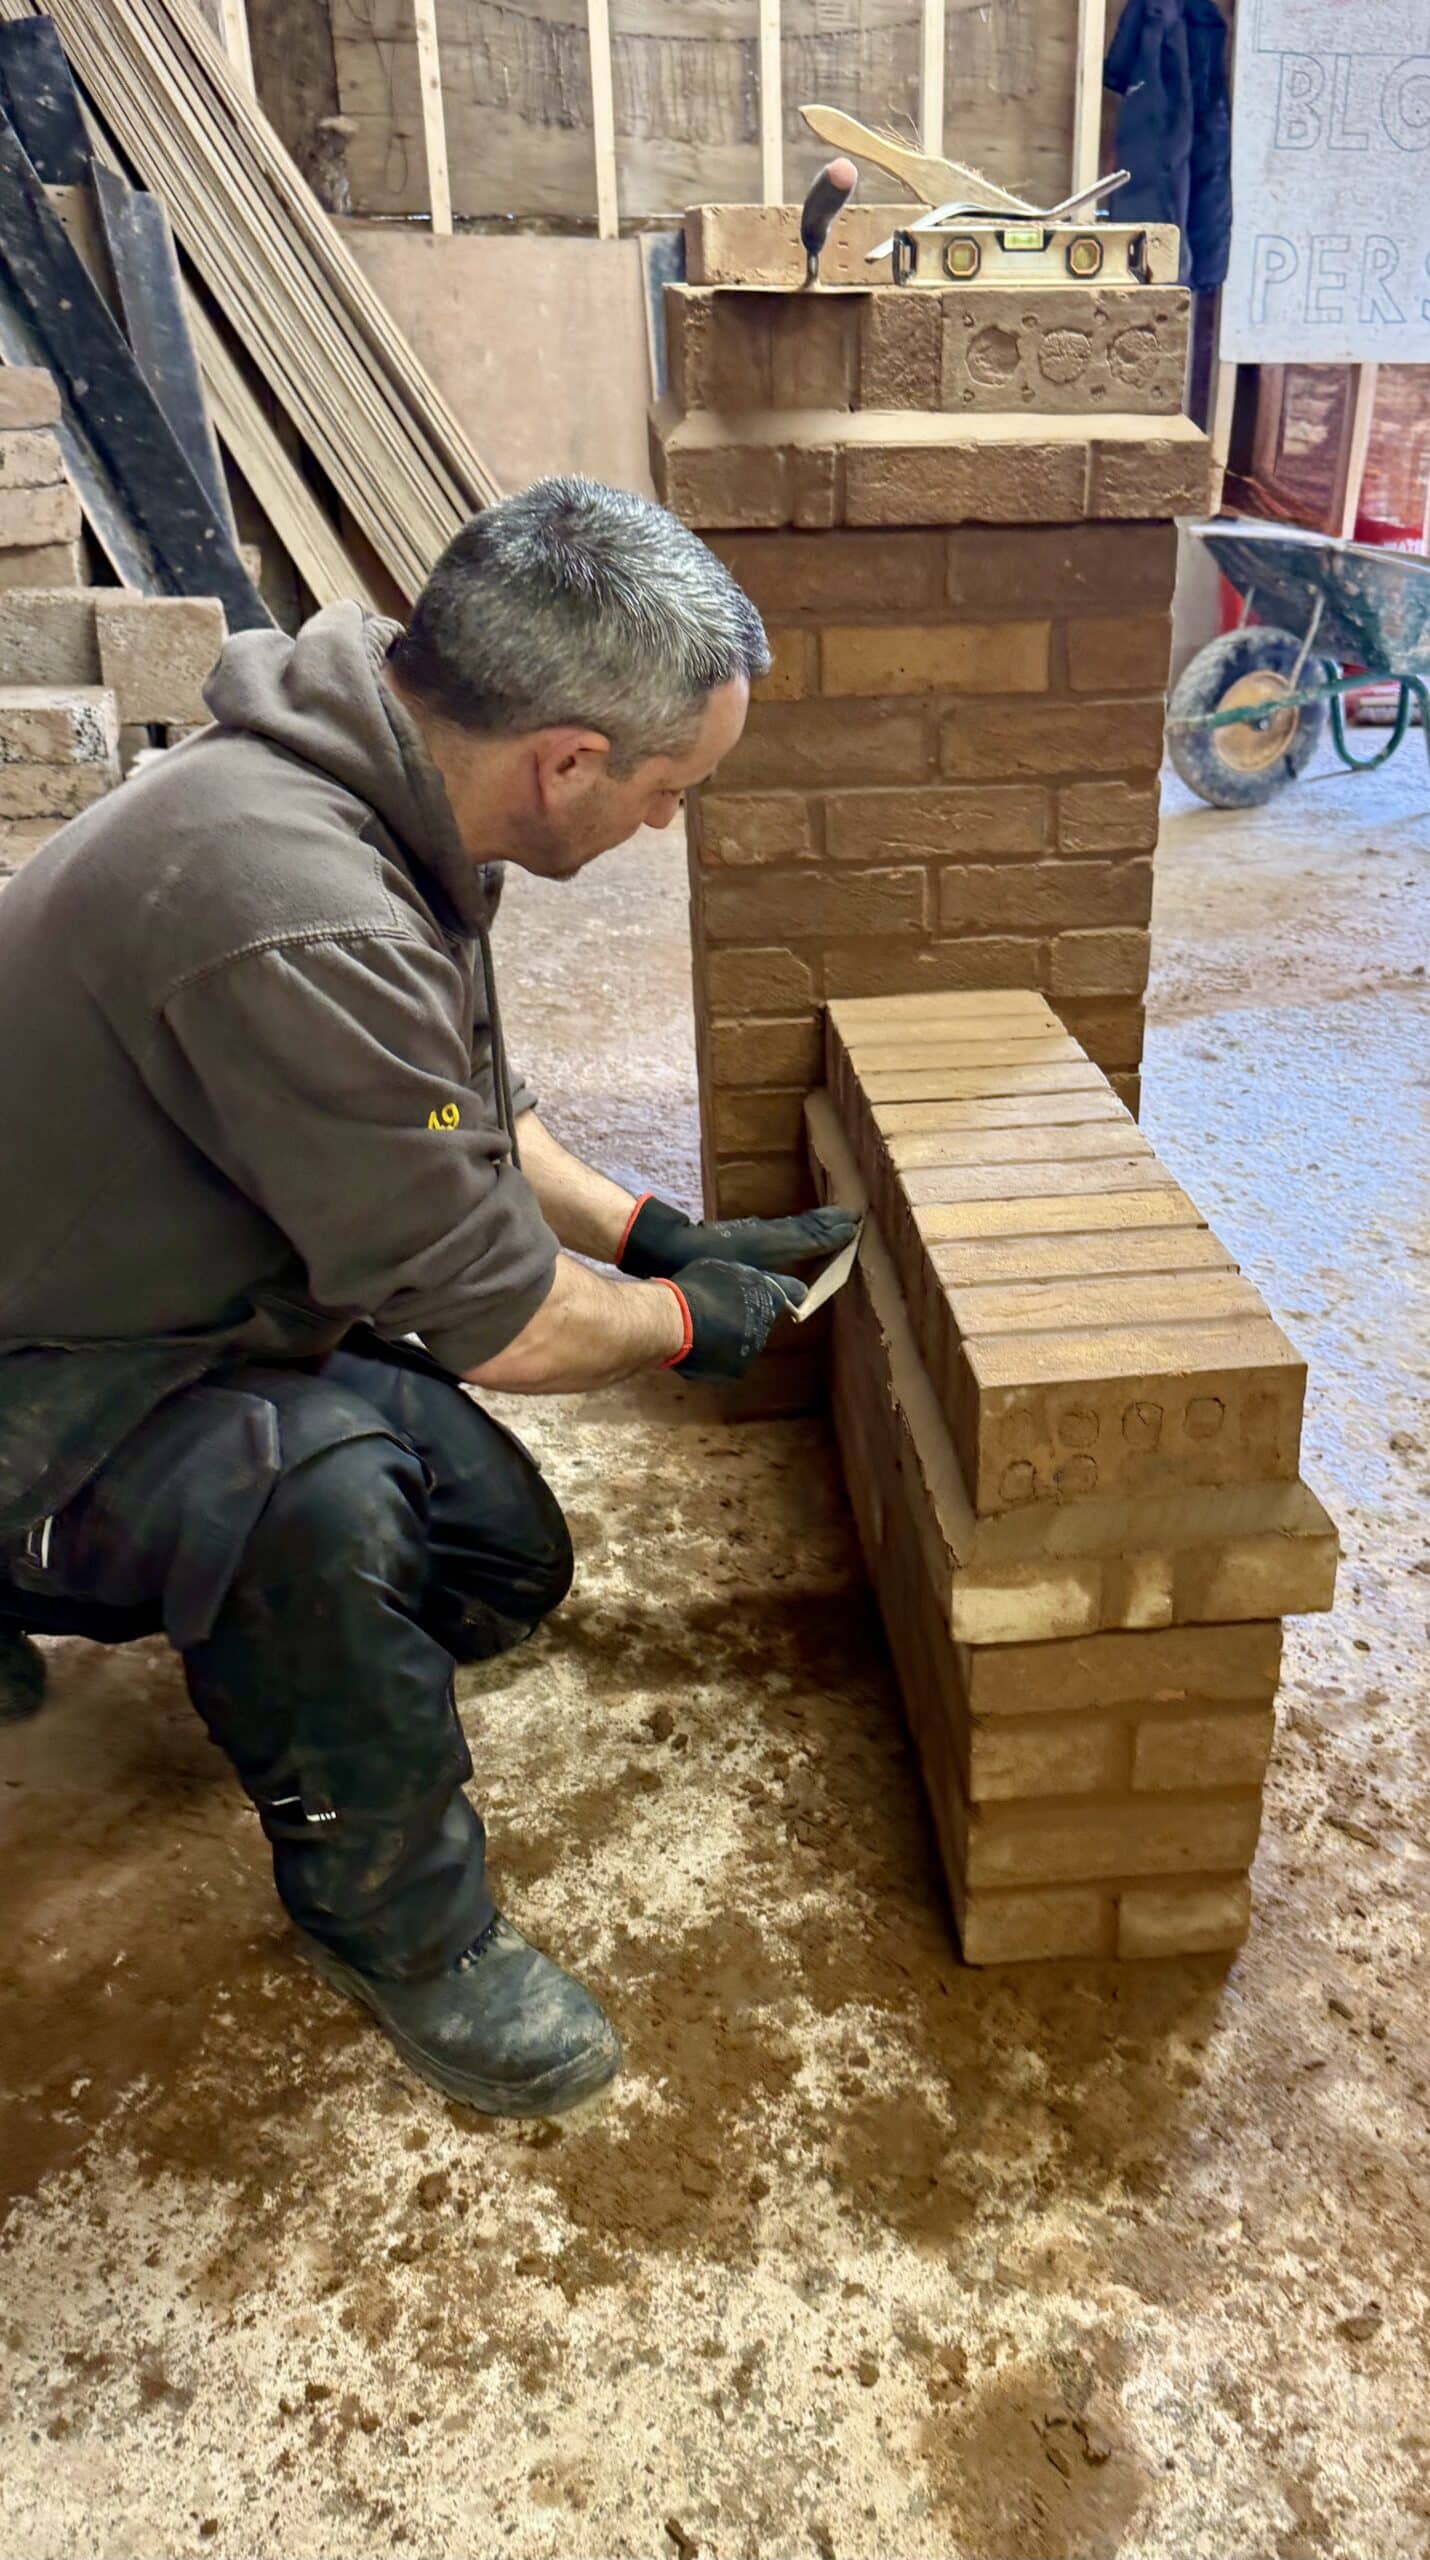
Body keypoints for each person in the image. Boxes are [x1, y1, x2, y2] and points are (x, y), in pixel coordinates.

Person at [0, 478, 856, 2119]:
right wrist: (690, 1332)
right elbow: (511, 1328)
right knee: (303, 1505)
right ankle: (402, 1934)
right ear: (569, 762)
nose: (662, 829)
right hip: (40, 1371)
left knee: (490, 1570)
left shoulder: (381, 793)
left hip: (163, 1305)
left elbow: (461, 1105)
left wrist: (661, 1234)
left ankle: (269, 1610)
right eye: (671, 792)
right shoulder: (296, 903)